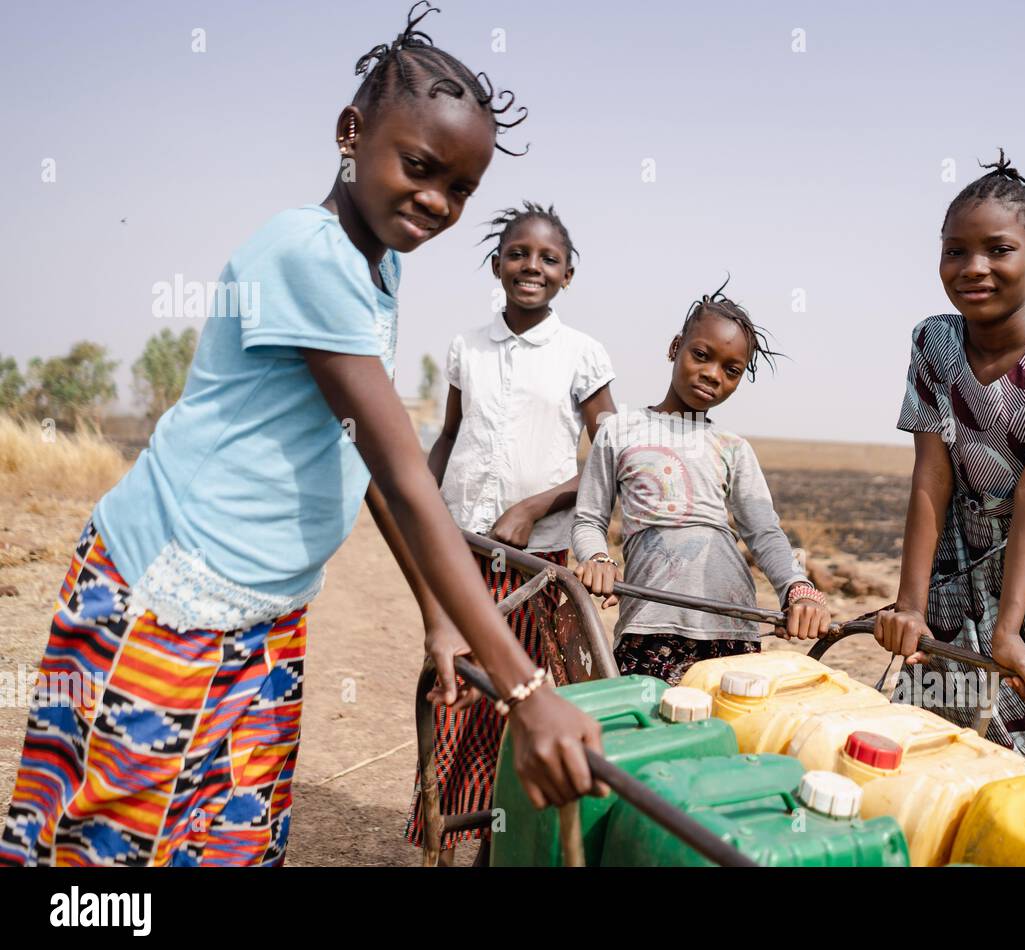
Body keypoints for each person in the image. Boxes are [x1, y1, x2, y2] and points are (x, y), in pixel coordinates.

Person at [0, 3, 603, 868]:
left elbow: (360, 448)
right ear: (351, 132)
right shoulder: (306, 255)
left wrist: (438, 616)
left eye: (461, 190)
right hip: (169, 600)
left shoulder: (376, 265)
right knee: (112, 849)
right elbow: (402, 471)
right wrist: (528, 690)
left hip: (264, 611)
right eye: (421, 167)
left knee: (230, 838)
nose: (437, 201)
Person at [875, 149, 1025, 776]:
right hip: (960, 564)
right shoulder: (933, 340)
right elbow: (931, 473)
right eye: (955, 250)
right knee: (941, 740)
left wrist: (1009, 631)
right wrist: (910, 604)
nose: (973, 267)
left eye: (997, 249)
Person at [402, 201, 616, 865]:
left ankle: (502, 847)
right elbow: (447, 436)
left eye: (548, 258)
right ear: (497, 265)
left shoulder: (582, 354)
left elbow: (613, 459)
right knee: (451, 687)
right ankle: (443, 837)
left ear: (568, 276)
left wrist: (535, 504)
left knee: (516, 702)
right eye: (519, 253)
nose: (532, 266)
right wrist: (425, 511)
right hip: (465, 552)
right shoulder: (467, 347)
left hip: (536, 563)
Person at [572, 283, 831, 686]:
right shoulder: (618, 430)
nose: (713, 375)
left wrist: (797, 588)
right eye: (701, 355)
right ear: (676, 347)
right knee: (652, 735)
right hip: (650, 624)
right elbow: (588, 519)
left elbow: (763, 532)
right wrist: (598, 559)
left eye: (731, 370)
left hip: (732, 629)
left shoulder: (732, 447)